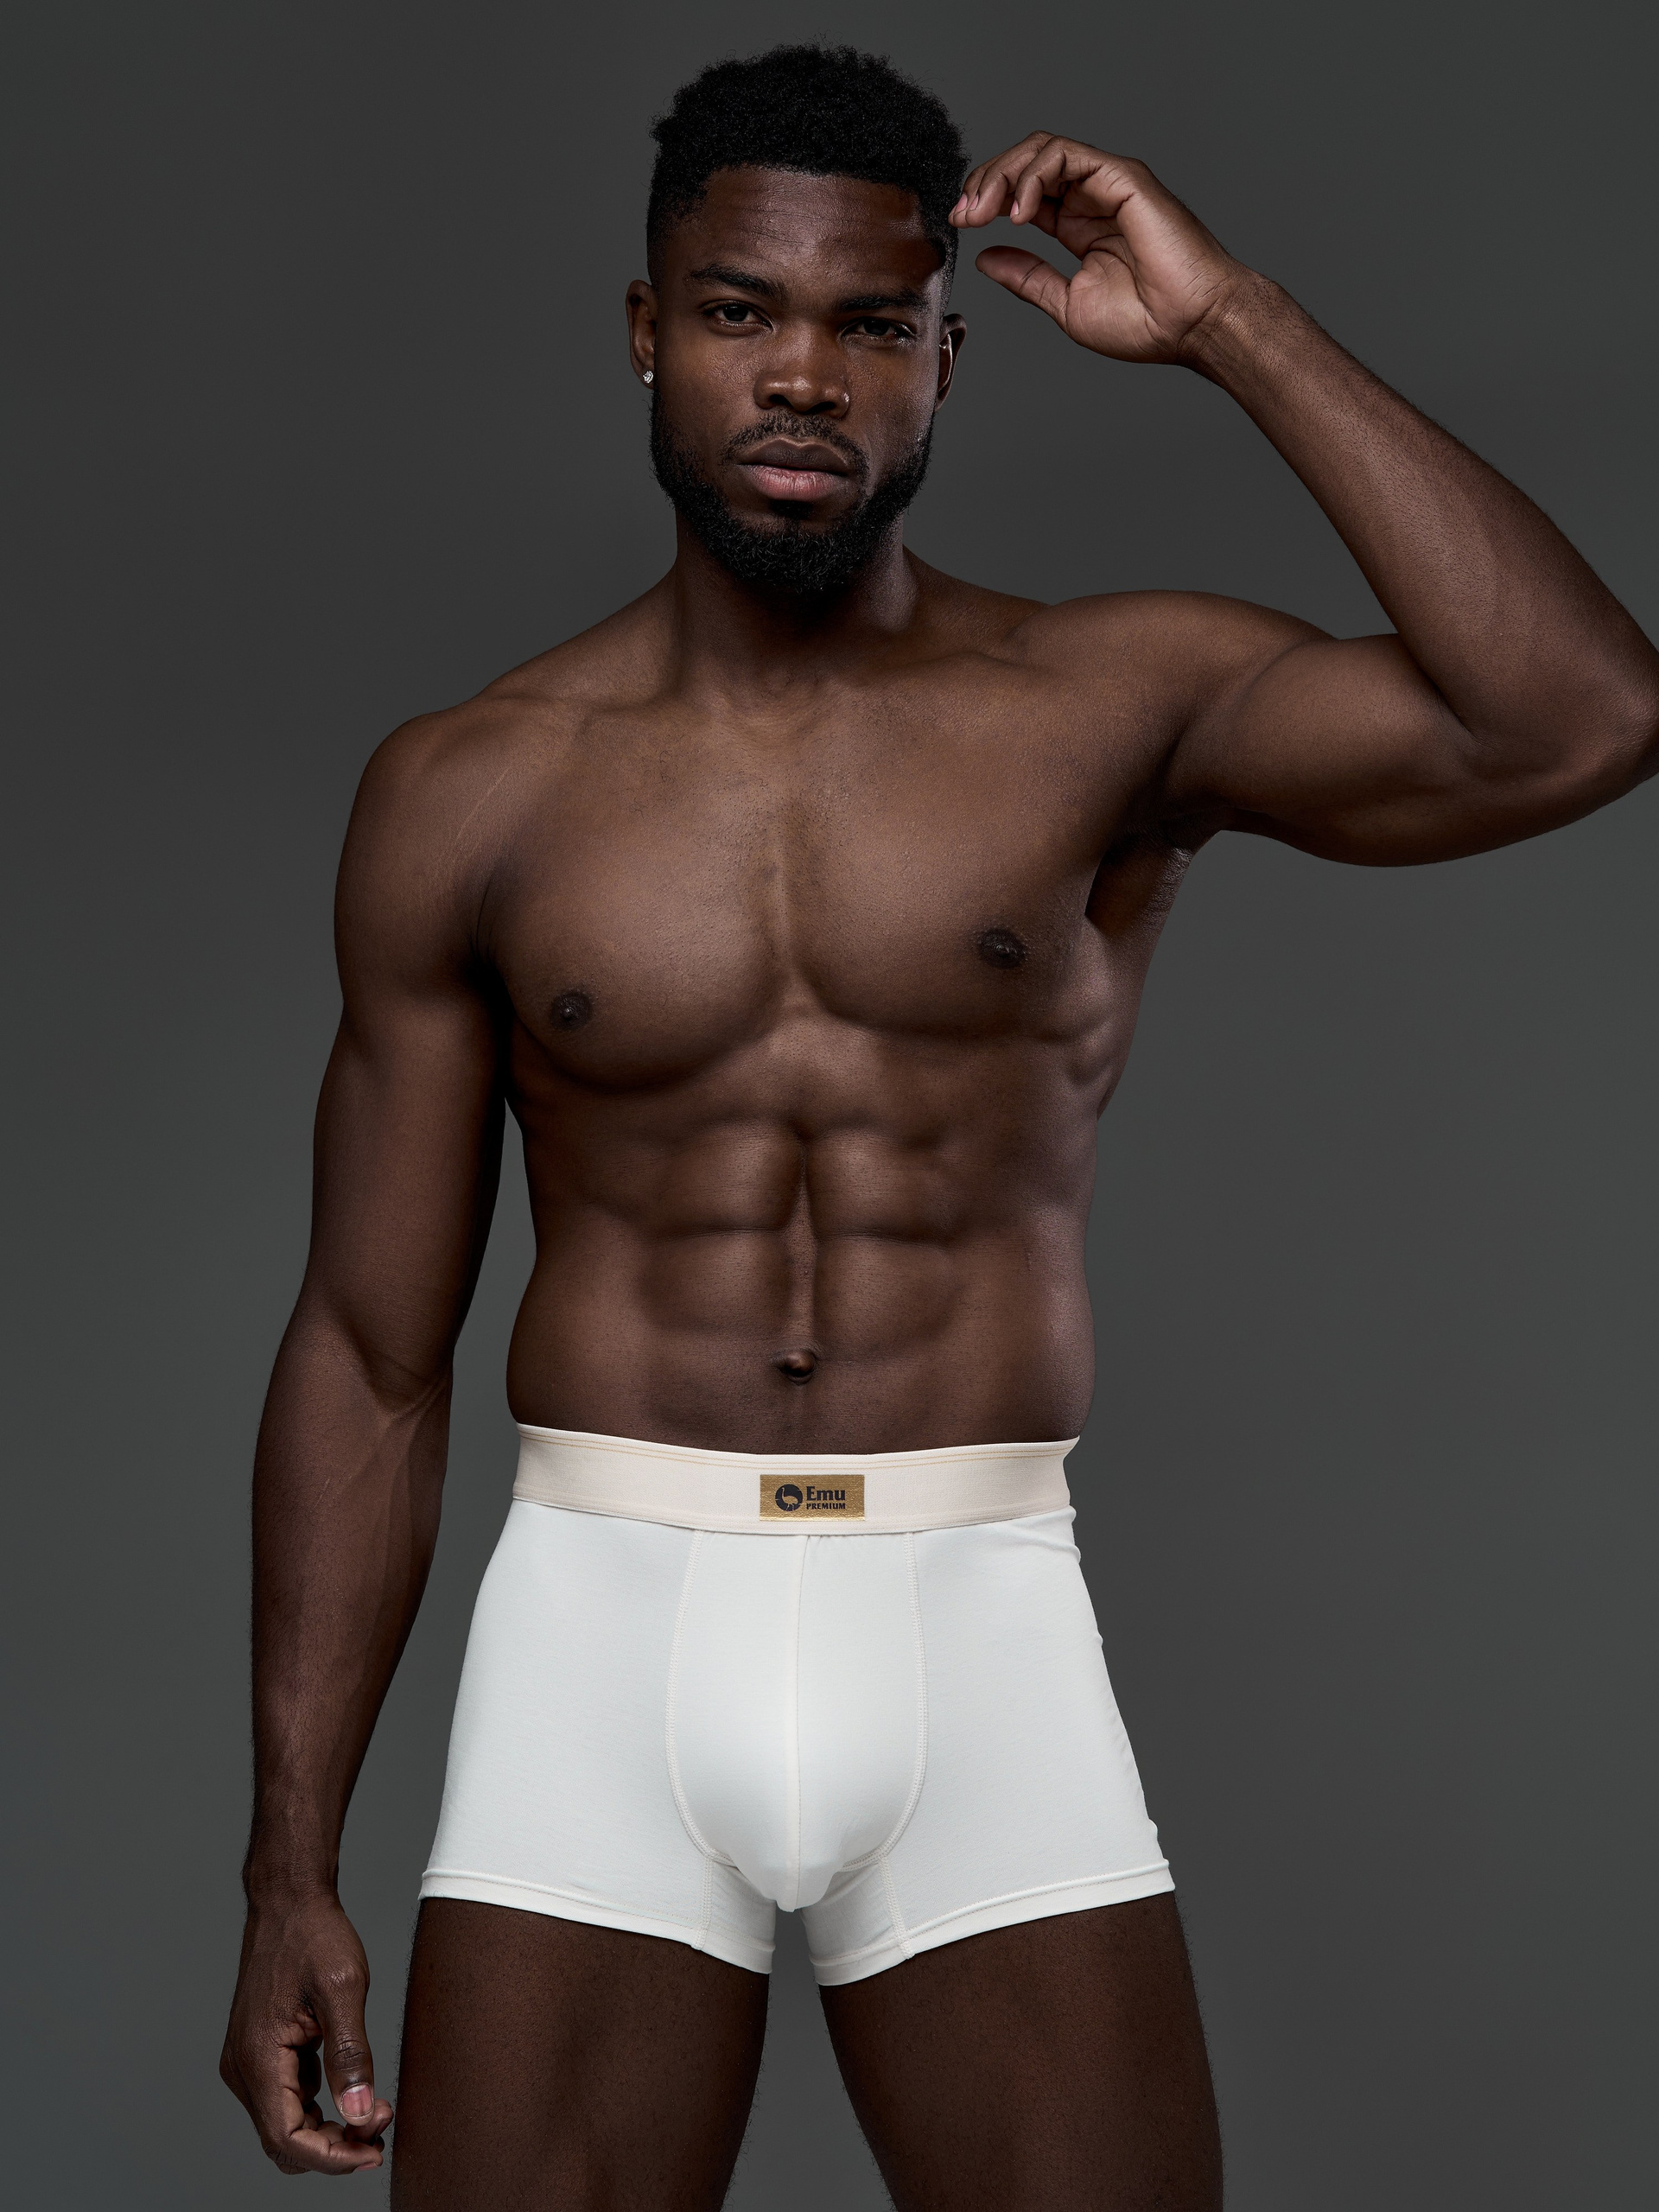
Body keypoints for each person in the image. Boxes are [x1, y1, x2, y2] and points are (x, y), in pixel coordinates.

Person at [219, 41, 1657, 2210]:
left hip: (975, 1620)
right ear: (647, 328)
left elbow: (1577, 713)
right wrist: (287, 1863)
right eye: (741, 312)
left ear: (947, 360)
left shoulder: (1106, 704)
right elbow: (367, 1350)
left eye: (872, 324)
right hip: (603, 1631)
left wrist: (1232, 321)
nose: (805, 375)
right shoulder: (470, 789)